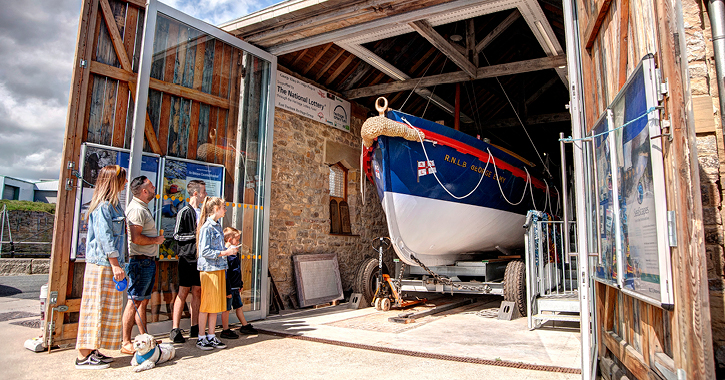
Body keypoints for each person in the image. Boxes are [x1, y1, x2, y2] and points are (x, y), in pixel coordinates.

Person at [75, 165, 127, 369]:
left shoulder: (114, 206)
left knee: (105, 309)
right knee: (94, 307)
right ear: (113, 182)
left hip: (111, 264)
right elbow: (106, 239)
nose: (124, 184)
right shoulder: (103, 207)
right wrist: (115, 265)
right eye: (122, 180)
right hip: (102, 265)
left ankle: (94, 349)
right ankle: (82, 355)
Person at [121, 176, 165, 354]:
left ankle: (144, 337)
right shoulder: (137, 210)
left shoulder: (143, 208)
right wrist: (156, 240)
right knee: (134, 301)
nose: (155, 188)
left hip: (147, 260)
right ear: (144, 191)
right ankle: (125, 341)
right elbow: (136, 238)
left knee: (142, 301)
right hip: (140, 261)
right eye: (151, 186)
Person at [195, 197, 238, 350]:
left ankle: (211, 335)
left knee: (215, 305)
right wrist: (225, 252)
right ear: (215, 208)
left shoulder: (218, 226)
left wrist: (226, 251)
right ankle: (201, 336)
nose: (225, 209)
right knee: (207, 304)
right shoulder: (207, 227)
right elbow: (205, 251)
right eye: (223, 207)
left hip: (218, 268)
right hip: (209, 269)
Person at [169, 180, 207, 343]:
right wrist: (195, 235)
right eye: (204, 191)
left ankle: (195, 326)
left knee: (197, 291)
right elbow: (177, 235)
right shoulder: (184, 211)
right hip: (186, 257)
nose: (206, 194)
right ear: (196, 193)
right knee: (183, 292)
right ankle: (175, 329)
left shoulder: (203, 212)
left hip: (199, 258)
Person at [219, 227, 257, 339]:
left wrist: (240, 284)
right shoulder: (227, 256)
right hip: (229, 287)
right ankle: (225, 329)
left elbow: (237, 271)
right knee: (226, 309)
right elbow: (226, 274)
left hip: (235, 286)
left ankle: (244, 325)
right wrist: (227, 289)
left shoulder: (235, 255)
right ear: (230, 240)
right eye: (237, 240)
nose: (239, 243)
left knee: (239, 306)